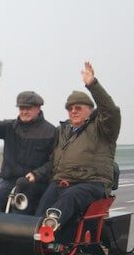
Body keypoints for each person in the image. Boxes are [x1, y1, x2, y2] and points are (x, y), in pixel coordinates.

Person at [26, 62, 121, 234]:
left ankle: (48, 232)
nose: (73, 111)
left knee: (70, 197)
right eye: (70, 109)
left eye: (78, 108)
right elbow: (51, 161)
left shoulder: (102, 128)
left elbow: (111, 111)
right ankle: (33, 240)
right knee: (40, 204)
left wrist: (92, 84)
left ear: (90, 111)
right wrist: (34, 175)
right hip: (61, 181)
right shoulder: (62, 131)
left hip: (92, 183)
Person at [0, 88, 56, 213]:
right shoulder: (10, 127)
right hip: (10, 181)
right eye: (21, 108)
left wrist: (37, 174)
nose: (24, 111)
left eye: (28, 108)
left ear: (38, 108)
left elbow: (55, 161)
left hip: (35, 183)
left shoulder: (51, 131)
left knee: (19, 211)